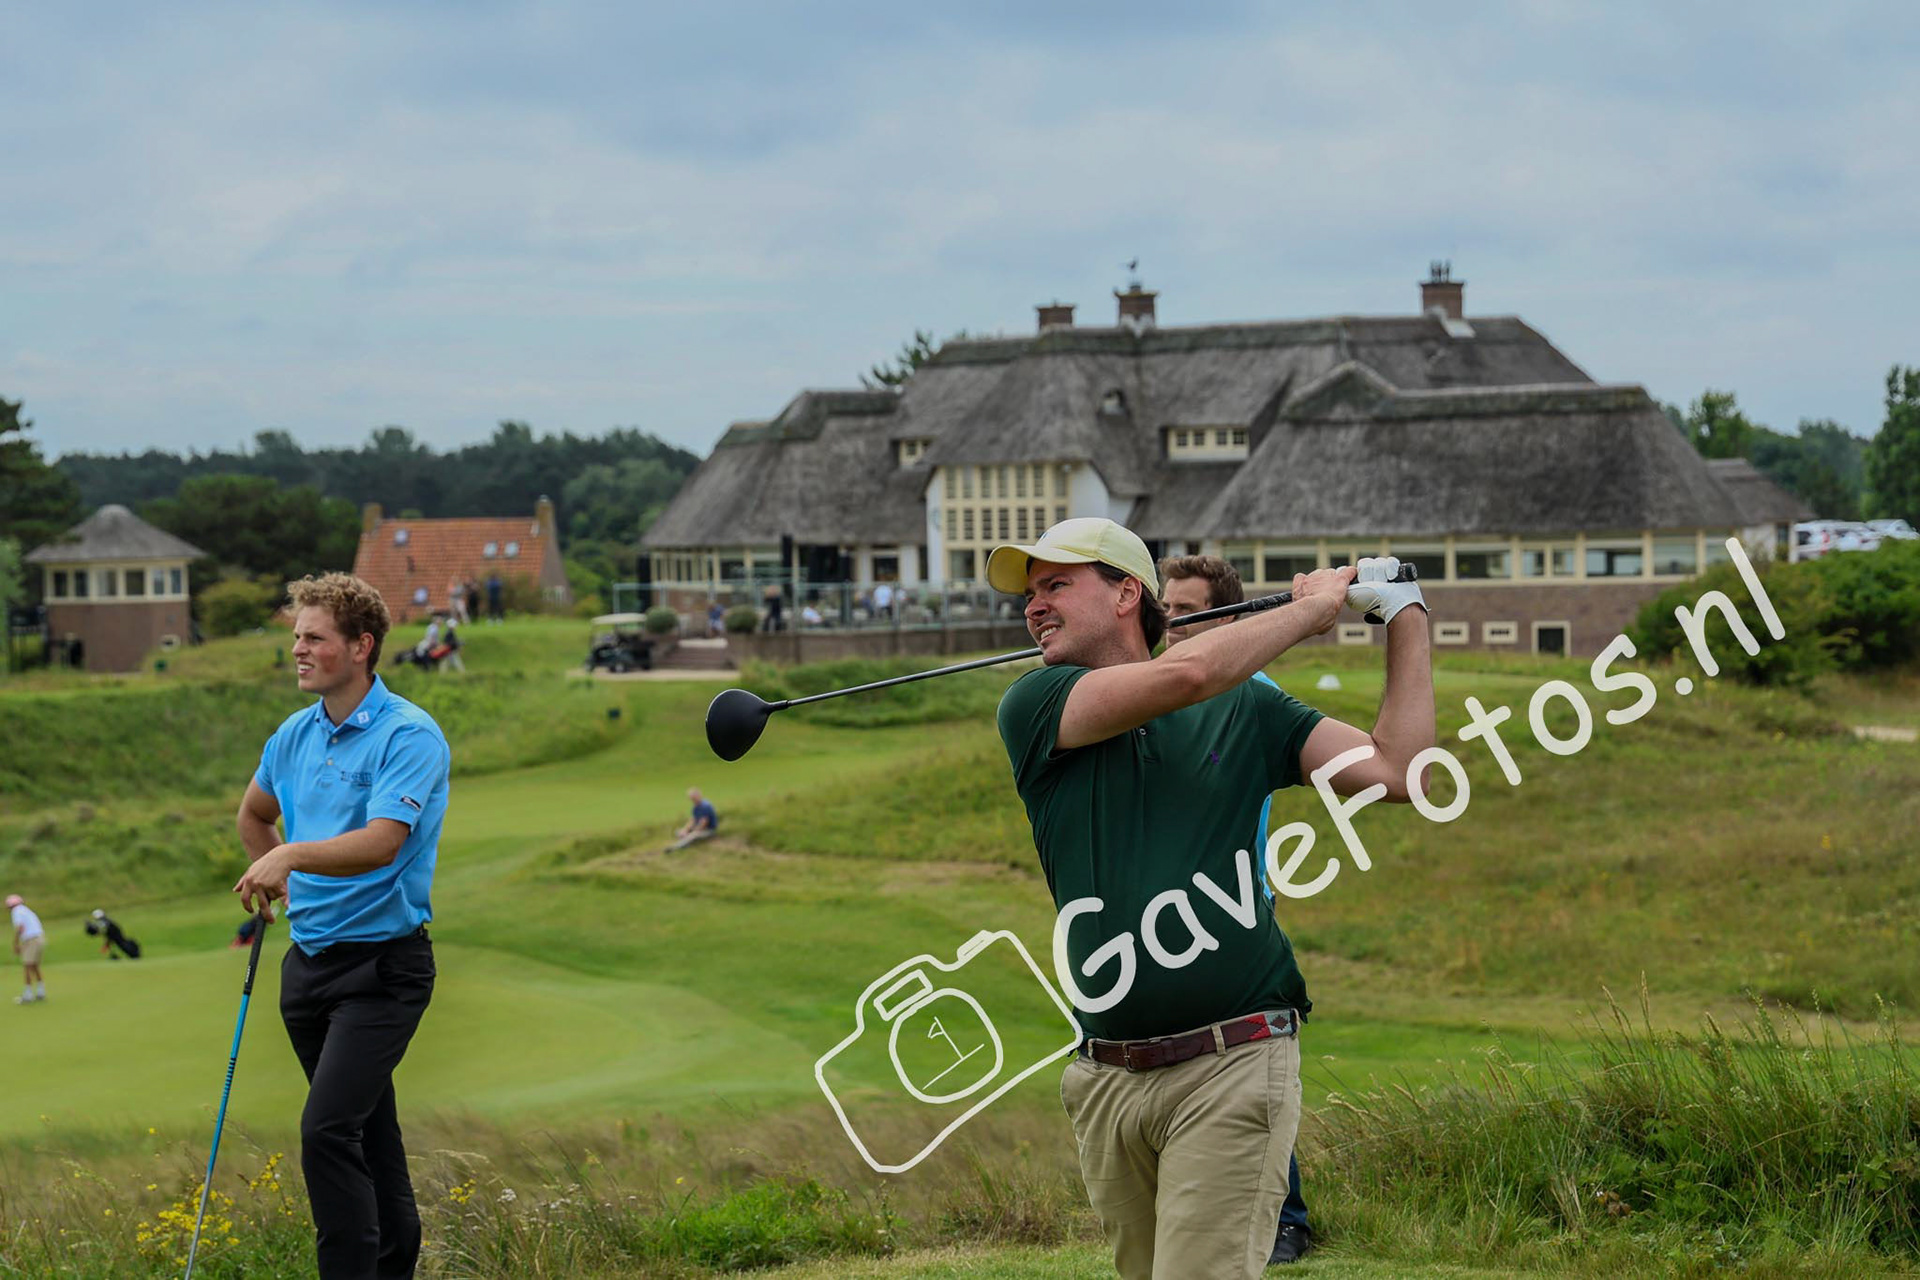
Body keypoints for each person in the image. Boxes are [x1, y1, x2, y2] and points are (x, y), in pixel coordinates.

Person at [988, 518, 1433, 1280]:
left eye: (1056, 584)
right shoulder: (1035, 704)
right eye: (1029, 594)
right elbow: (1183, 678)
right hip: (1106, 1079)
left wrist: (1406, 617)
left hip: (1235, 1059)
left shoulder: (1251, 710)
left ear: (1129, 593)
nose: (1034, 606)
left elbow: (1401, 773)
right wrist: (1307, 611)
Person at [234, 571, 451, 1279]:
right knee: (366, 1136)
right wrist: (284, 877)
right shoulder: (293, 736)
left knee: (327, 1131)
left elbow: (385, 839)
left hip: (383, 970)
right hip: (309, 968)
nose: (298, 650)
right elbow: (254, 815)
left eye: (314, 638)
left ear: (361, 647)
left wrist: (291, 858)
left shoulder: (408, 735)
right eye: (295, 637)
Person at [1161, 554, 1313, 1265]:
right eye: (1167, 610)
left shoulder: (1252, 693)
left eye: (1189, 610)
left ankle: (1290, 1219)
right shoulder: (1158, 691)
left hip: (1233, 908)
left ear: (1228, 617)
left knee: (1248, 1072)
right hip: (1165, 918)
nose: (1174, 624)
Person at [8, 894, 46, 1004]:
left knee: (27, 966)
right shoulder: (27, 910)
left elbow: (20, 927)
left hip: (31, 940)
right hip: (39, 938)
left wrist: (15, 943)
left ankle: (28, 995)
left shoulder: (16, 911)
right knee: (34, 966)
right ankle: (41, 992)